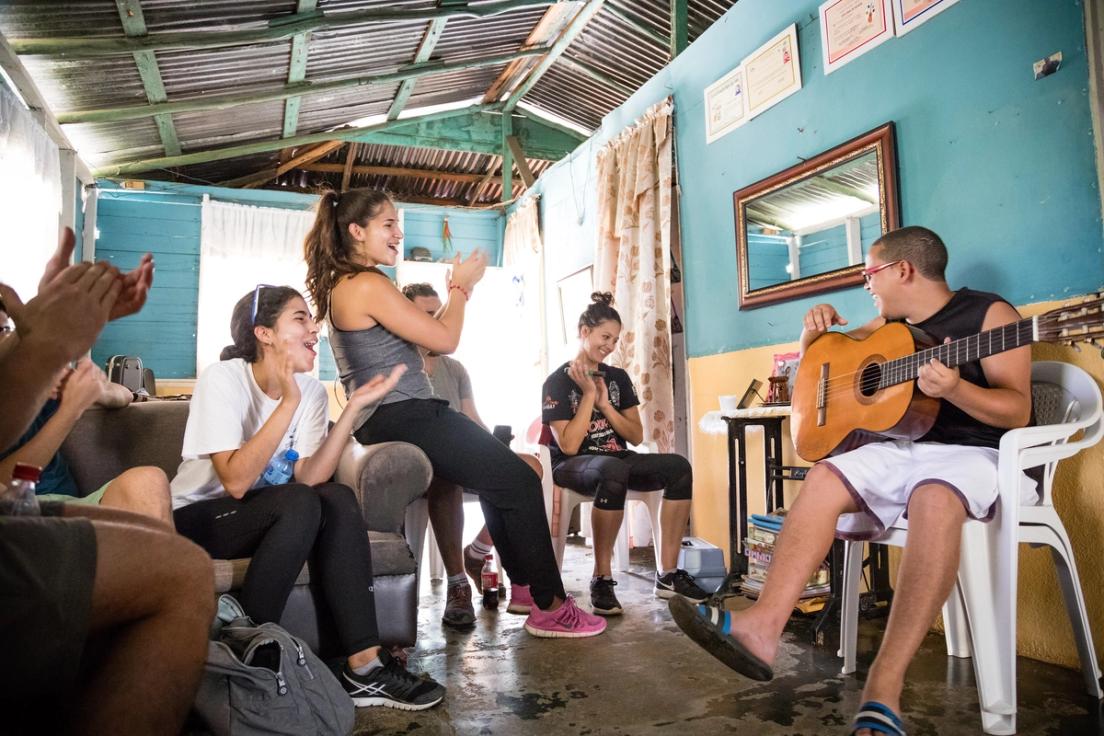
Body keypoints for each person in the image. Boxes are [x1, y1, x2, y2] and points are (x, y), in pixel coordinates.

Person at [669, 226, 1036, 736]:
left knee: (934, 497)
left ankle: (883, 691)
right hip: (906, 448)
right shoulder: (890, 323)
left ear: (903, 270)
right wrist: (810, 339)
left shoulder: (990, 316)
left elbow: (1018, 409)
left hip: (974, 454)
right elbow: (833, 366)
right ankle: (761, 626)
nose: (867, 285)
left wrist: (955, 390)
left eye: (870, 273)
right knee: (824, 475)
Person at [304, 187, 605, 639]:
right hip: (404, 413)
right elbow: (445, 341)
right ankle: (551, 606)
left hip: (397, 414)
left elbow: (426, 337)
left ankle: (525, 590)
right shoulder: (366, 284)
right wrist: (461, 287)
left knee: (507, 478)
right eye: (388, 224)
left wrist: (455, 294)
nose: (398, 233)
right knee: (521, 480)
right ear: (356, 231)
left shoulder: (350, 285)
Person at [171, 285, 446, 710]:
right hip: (200, 518)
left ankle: (365, 667)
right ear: (263, 333)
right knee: (301, 500)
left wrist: (352, 408)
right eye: (300, 318)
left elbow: (311, 476)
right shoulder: (222, 379)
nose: (314, 328)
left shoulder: (313, 392)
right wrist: (288, 401)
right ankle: (249, 647)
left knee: (332, 496)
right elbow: (237, 482)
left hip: (272, 516)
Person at [1, 227, 214, 736]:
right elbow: (11, 482)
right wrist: (50, 356)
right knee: (185, 574)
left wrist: (64, 355)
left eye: (5, 320)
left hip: (44, 501)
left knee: (150, 500)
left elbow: (110, 393)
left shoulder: (17, 362)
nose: (7, 327)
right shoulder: (25, 368)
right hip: (18, 499)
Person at [542, 292, 709, 616]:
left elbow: (635, 435)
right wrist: (589, 395)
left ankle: (668, 574)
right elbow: (570, 446)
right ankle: (602, 578)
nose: (609, 345)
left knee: (678, 466)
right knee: (611, 470)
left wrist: (606, 404)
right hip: (572, 464)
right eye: (605, 336)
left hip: (616, 457)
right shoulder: (557, 382)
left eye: (615, 340)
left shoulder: (617, 378)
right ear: (584, 331)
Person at [402, 282, 544, 605]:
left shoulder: (455, 369)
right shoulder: (403, 367)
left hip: (459, 455)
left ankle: (478, 551)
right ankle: (457, 584)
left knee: (529, 468)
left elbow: (472, 421)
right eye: (428, 314)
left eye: (440, 313)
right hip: (421, 465)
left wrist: (500, 453)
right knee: (446, 469)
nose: (437, 321)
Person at [0, 354, 173, 524]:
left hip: (70, 506)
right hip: (14, 509)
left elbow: (124, 394)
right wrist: (71, 409)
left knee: (147, 480)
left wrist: (95, 390)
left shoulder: (33, 377)